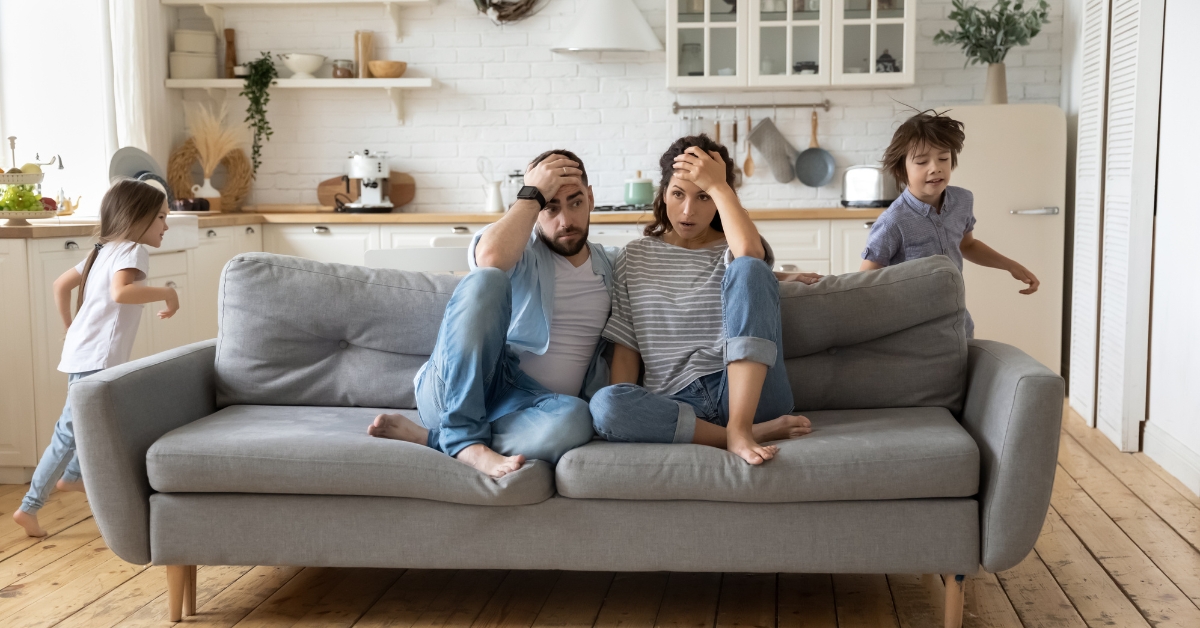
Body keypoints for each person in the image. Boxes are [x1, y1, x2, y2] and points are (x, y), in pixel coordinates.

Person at [368, 150, 615, 478]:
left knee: (577, 420)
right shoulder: (518, 252)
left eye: (575, 202)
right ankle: (463, 436)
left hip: (528, 409)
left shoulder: (612, 266)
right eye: (550, 207)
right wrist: (532, 195)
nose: (566, 220)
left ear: (591, 197)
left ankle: (437, 439)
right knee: (487, 278)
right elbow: (490, 257)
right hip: (456, 390)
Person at [588, 135, 815, 466]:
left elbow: (750, 258)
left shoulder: (735, 246)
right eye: (678, 194)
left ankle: (741, 427)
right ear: (663, 193)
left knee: (750, 268)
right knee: (605, 405)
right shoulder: (634, 256)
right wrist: (629, 407)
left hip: (748, 393)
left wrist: (720, 185)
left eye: (704, 196)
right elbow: (627, 348)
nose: (688, 211)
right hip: (677, 403)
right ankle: (748, 434)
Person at [13, 179, 179, 537]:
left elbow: (60, 285)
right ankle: (29, 506)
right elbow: (122, 293)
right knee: (69, 430)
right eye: (161, 218)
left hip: (86, 351)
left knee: (95, 421)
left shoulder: (102, 250)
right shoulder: (134, 251)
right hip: (97, 357)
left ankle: (73, 477)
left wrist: (69, 327)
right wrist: (168, 293)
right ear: (139, 218)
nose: (167, 225)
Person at [860, 110, 1040, 337]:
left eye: (943, 158)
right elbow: (867, 278)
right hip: (911, 330)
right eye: (922, 161)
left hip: (957, 321)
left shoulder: (962, 200)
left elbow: (967, 245)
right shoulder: (893, 222)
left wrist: (1011, 265)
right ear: (901, 169)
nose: (935, 167)